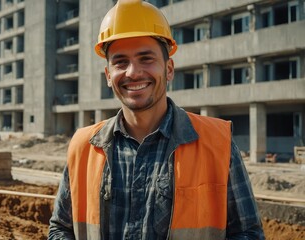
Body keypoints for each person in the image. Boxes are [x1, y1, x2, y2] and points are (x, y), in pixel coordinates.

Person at [48, 0, 265, 239]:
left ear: (169, 69)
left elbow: (247, 233)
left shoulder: (216, 143)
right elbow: (61, 229)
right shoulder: (83, 146)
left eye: (146, 58)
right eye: (121, 62)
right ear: (109, 76)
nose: (132, 72)